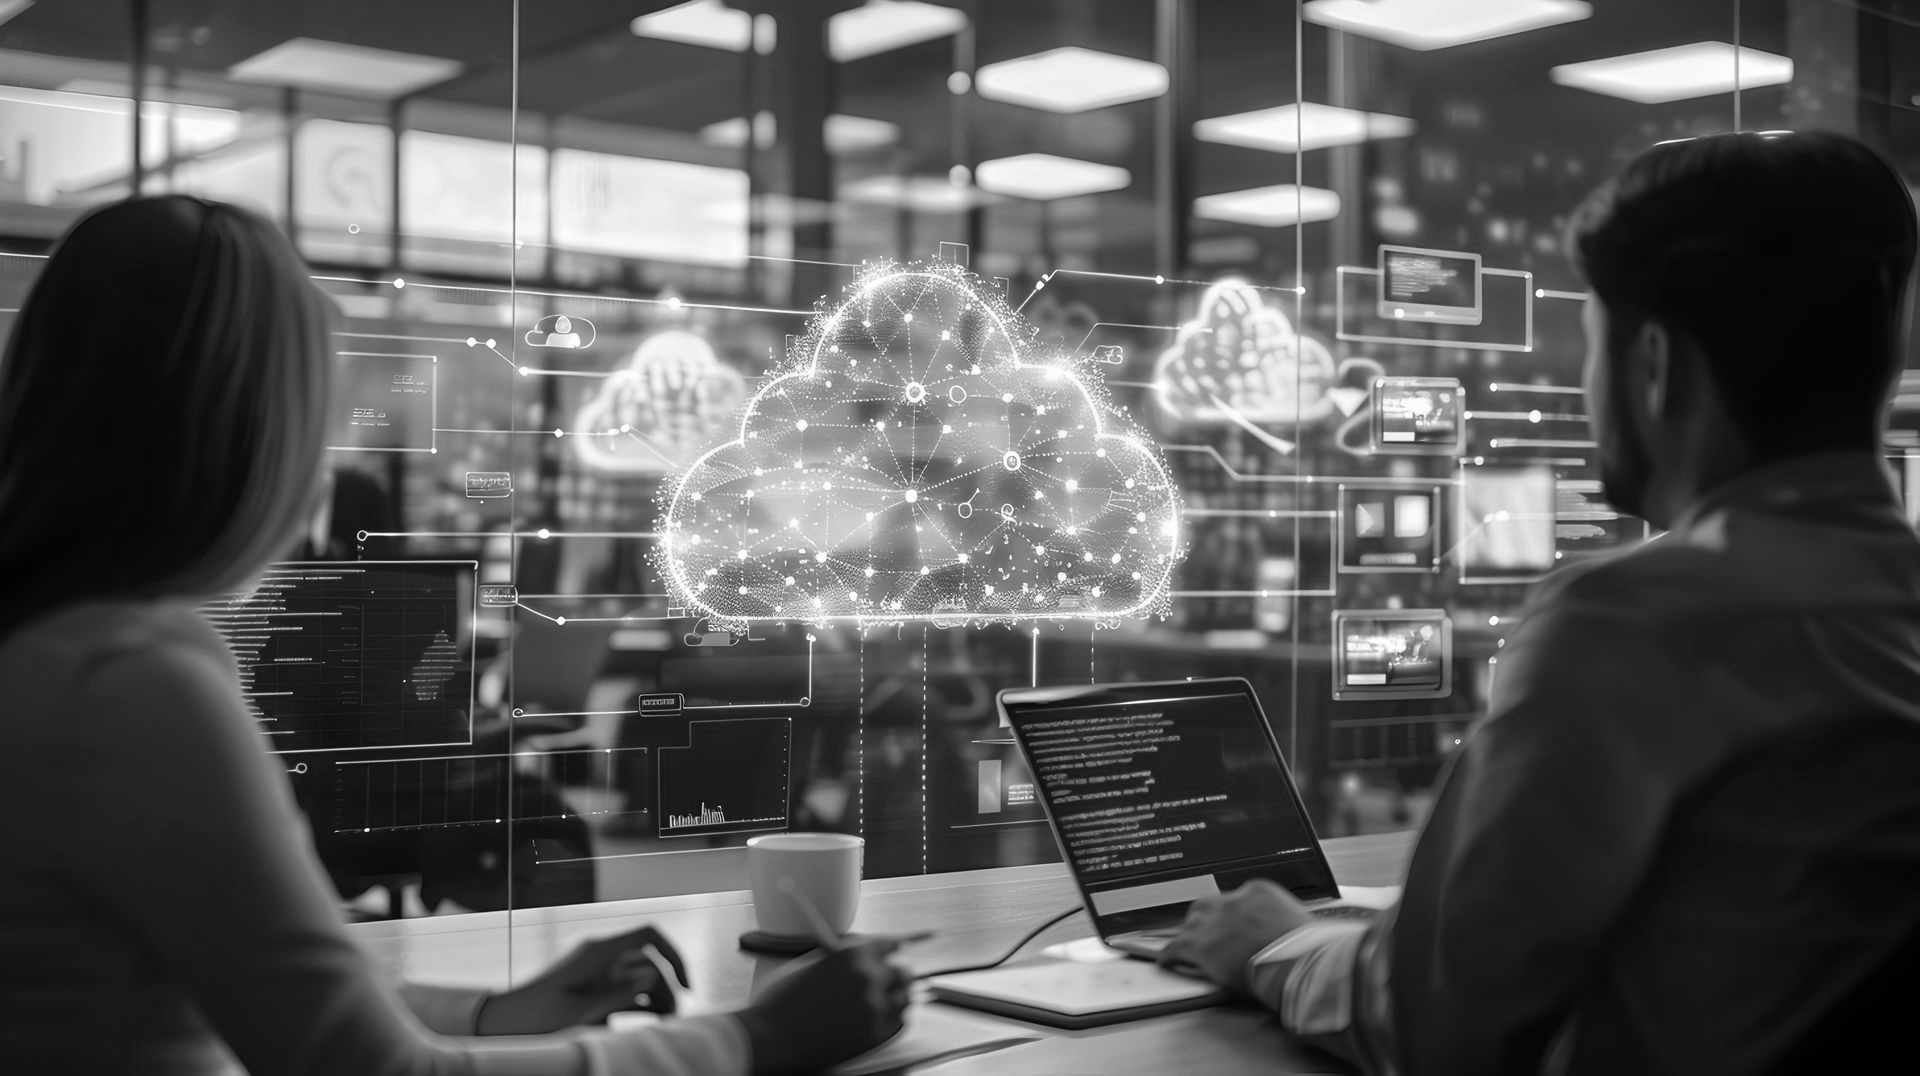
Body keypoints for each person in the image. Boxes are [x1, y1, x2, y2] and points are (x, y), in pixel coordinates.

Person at [0, 195, 908, 1074]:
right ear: (242, 435)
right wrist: (757, 1042)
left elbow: (257, 990)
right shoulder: (130, 685)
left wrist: (493, 1015)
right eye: (311, 427)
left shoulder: (55, 652)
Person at [1161, 130, 1920, 1073]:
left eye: (1590, 347)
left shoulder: (1633, 628)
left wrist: (1275, 944)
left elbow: (1439, 1023)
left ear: (1652, 365)